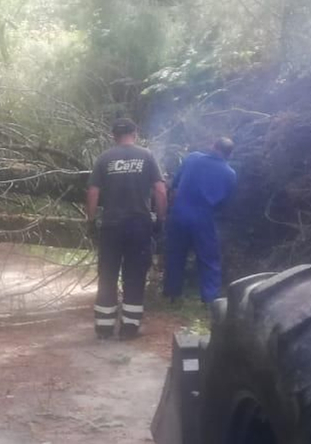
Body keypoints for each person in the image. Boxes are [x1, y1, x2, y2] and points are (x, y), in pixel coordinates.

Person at [86, 118, 167, 340]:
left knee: (108, 275)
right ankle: (130, 328)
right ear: (135, 133)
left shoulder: (104, 158)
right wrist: (161, 218)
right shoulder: (147, 156)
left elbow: (93, 191)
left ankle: (104, 327)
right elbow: (160, 190)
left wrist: (91, 220)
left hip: (111, 226)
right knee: (134, 275)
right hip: (139, 225)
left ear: (113, 136)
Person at [164, 136, 237, 304]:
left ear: (213, 146)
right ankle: (210, 300)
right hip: (204, 217)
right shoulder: (229, 173)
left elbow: (174, 184)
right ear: (230, 154)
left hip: (180, 213)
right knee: (209, 259)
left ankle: (172, 294)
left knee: (175, 254)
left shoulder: (193, 158)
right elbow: (226, 202)